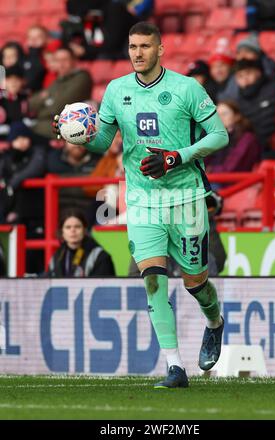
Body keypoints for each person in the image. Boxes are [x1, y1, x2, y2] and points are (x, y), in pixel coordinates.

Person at [53, 22, 229, 388]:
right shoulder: (116, 90)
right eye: (132, 46)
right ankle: (175, 366)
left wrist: (175, 158)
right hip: (142, 201)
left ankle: (214, 322)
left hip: (186, 199)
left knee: (196, 283)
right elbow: (102, 141)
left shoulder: (186, 88)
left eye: (145, 46)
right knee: (152, 280)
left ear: (160, 50)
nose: (137, 53)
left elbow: (219, 135)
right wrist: (77, 134)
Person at [29, 47, 93, 143]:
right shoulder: (58, 81)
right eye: (58, 60)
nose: (61, 64)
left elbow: (58, 107)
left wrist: (41, 110)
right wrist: (47, 102)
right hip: (47, 125)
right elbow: (31, 104)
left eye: (65, 60)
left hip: (69, 128)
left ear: (74, 61)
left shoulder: (82, 78)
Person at [47, 208, 115, 277]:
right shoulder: (57, 257)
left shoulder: (100, 256)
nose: (73, 230)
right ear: (62, 232)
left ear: (84, 230)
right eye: (68, 227)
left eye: (77, 227)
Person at [233, 58, 275, 154]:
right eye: (240, 76)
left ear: (258, 73)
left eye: (248, 73)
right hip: (255, 149)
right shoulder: (238, 101)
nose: (245, 79)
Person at [205, 100, 262, 175]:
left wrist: (210, 170)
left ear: (236, 116)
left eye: (224, 114)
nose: (220, 118)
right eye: (217, 115)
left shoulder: (246, 138)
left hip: (235, 181)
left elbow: (231, 168)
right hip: (215, 178)